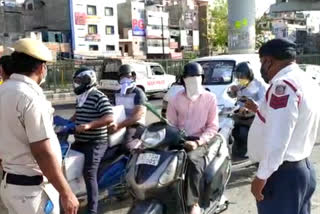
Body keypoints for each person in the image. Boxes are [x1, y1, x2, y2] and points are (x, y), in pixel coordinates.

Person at [0, 38, 79, 214]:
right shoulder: (30, 98)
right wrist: (66, 192)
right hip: (32, 193)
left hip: (10, 187)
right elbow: (42, 152)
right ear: (41, 68)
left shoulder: (3, 91)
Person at [248, 38, 319, 214]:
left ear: (268, 60)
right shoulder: (305, 80)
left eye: (262, 62)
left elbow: (278, 136)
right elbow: (289, 120)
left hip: (281, 176)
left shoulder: (283, 85)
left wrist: (262, 176)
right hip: (300, 169)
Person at [167, 62, 219, 214]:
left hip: (200, 139)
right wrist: (174, 135)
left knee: (193, 161)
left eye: (197, 78)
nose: (193, 81)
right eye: (189, 78)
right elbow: (171, 124)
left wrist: (197, 143)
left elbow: (212, 127)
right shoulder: (175, 99)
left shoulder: (210, 98)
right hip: (179, 138)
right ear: (183, 80)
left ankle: (193, 202)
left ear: (202, 79)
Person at [70, 67, 113, 214]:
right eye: (75, 81)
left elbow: (109, 117)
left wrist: (89, 125)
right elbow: (78, 114)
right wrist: (65, 123)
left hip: (96, 142)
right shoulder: (82, 96)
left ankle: (93, 210)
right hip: (80, 141)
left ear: (88, 81)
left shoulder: (98, 96)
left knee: (89, 173)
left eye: (79, 81)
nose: (77, 84)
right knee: (67, 164)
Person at [230, 62, 267, 158]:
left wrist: (248, 107)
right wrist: (233, 91)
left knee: (243, 132)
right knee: (229, 128)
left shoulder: (259, 85)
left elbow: (263, 102)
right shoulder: (241, 84)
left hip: (253, 117)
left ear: (249, 74)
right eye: (237, 76)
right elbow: (235, 97)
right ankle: (237, 150)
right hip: (240, 115)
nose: (239, 78)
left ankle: (250, 151)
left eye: (241, 76)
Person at [109, 64, 147, 151]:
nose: (125, 79)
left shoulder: (138, 93)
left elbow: (137, 115)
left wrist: (119, 126)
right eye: (122, 77)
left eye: (127, 76)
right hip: (120, 124)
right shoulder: (117, 93)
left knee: (127, 146)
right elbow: (111, 110)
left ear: (133, 77)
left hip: (135, 125)